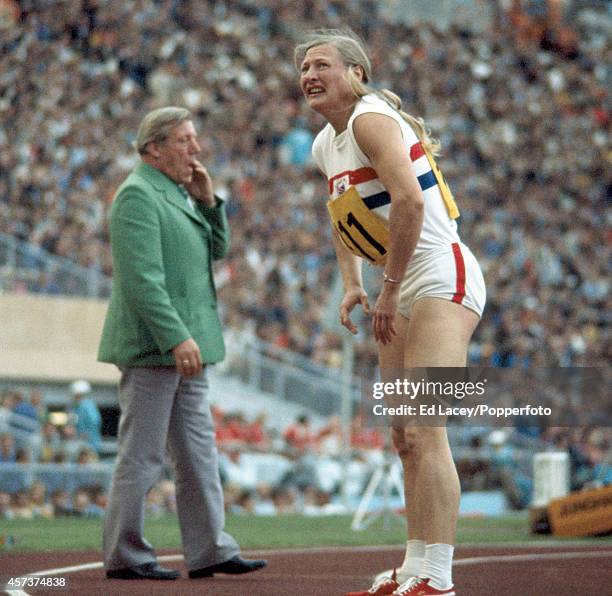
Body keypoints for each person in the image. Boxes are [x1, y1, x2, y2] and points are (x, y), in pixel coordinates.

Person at [296, 30, 486, 596]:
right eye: (304, 66)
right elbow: (344, 214)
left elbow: (409, 202)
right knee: (404, 435)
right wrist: (355, 282)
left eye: (322, 63)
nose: (309, 73)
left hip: (438, 273)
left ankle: (439, 579)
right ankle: (413, 569)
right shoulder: (324, 144)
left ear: (357, 73)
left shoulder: (368, 121)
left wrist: (389, 287)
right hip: (396, 283)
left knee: (428, 428)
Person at [98, 107, 266, 581]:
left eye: (195, 139)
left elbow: (216, 252)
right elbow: (142, 282)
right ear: (153, 147)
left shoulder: (177, 193)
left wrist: (209, 202)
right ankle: (126, 555)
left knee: (197, 453)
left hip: (188, 346)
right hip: (158, 347)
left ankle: (211, 547)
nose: (195, 148)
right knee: (143, 455)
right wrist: (176, 337)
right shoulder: (137, 196)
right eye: (184, 140)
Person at [69, 380, 102, 452]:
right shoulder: (76, 407)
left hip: (90, 444)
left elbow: (94, 421)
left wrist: (86, 434)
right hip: (81, 443)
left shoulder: (87, 405)